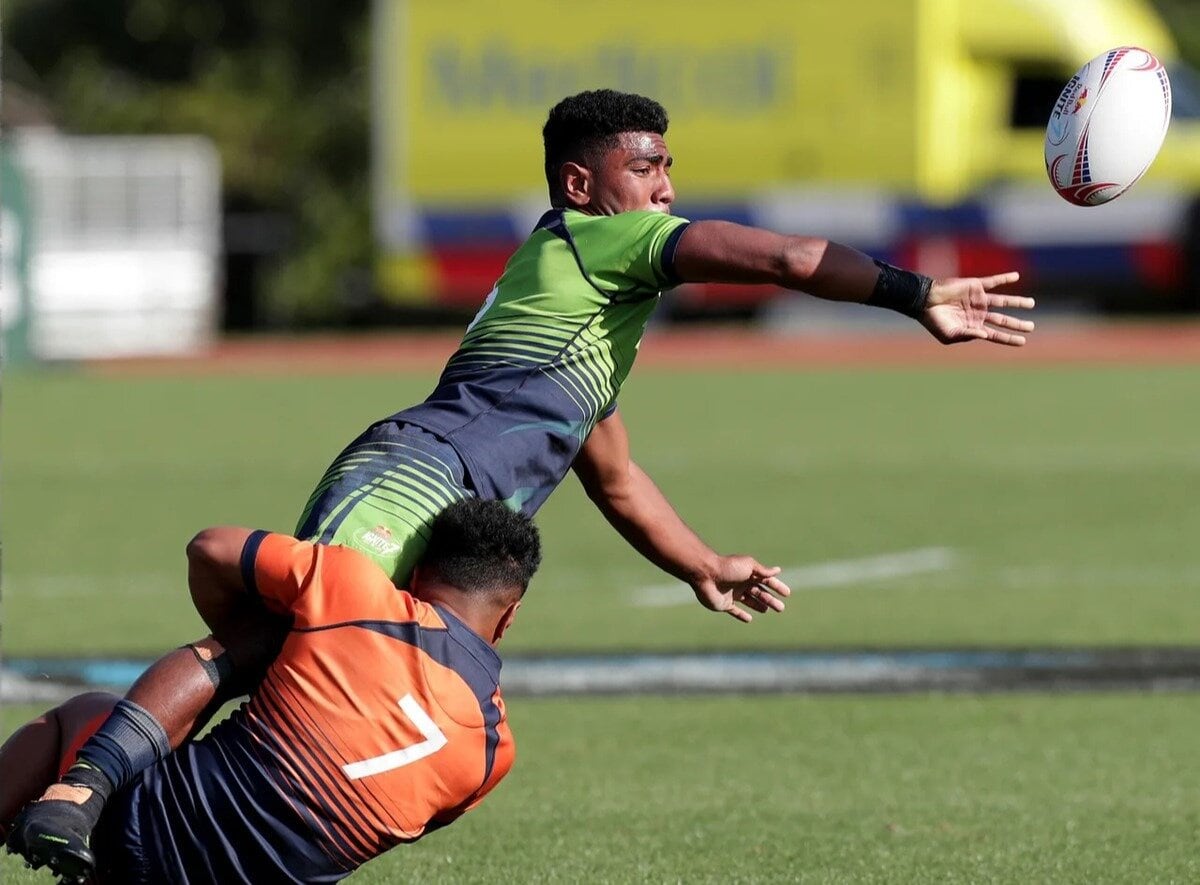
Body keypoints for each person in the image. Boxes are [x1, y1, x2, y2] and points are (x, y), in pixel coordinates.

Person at [11, 87, 1036, 866]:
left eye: (671, 168)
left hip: (443, 498)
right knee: (265, 642)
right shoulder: (601, 244)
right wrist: (913, 294)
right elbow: (771, 256)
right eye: (648, 168)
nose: (667, 190)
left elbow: (619, 481)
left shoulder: (584, 339)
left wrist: (700, 564)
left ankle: (145, 825)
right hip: (417, 478)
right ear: (585, 186)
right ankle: (82, 790)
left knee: (315, 701)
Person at [3, 499, 541, 883]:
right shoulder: (495, 753)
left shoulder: (358, 590)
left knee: (91, 713)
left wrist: (258, 650)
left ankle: (78, 793)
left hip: (152, 829)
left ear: (416, 572)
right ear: (511, 614)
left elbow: (209, 546)